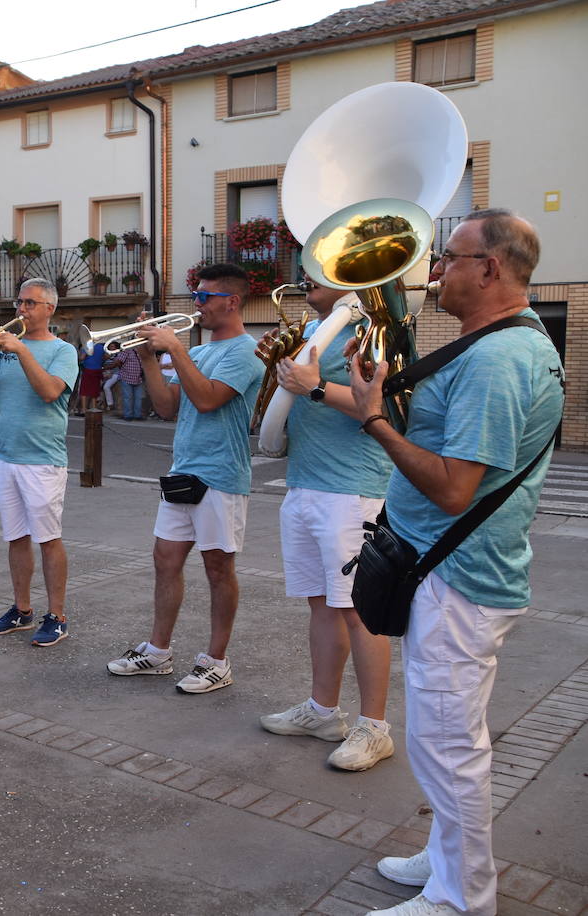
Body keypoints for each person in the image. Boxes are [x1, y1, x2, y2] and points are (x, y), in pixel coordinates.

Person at [352, 211, 564, 916]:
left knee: (448, 746)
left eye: (450, 257)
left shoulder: (500, 359)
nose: (435, 269)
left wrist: (375, 418)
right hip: (447, 576)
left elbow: (452, 488)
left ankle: (461, 898)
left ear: (491, 268)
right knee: (441, 735)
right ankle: (447, 858)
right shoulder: (492, 345)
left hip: (459, 580)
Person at [255, 279, 397, 771]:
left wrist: (313, 386)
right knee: (323, 606)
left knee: (361, 612)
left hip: (351, 490)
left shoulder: (373, 329)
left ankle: (375, 728)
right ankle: (323, 712)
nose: (306, 274)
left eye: (319, 267)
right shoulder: (313, 329)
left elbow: (384, 406)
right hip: (304, 484)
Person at [105, 263, 263, 692]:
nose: (196, 304)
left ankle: (216, 660)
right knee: (165, 561)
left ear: (231, 301)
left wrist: (175, 348)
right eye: (195, 296)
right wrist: (146, 357)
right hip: (184, 471)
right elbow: (168, 406)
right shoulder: (199, 351)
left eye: (204, 297)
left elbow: (209, 399)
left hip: (222, 476)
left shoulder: (247, 351)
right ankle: (158, 651)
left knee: (218, 569)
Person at [0, 279, 79, 647]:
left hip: (43, 460)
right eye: (20, 302)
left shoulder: (63, 351)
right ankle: (22, 609)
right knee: (16, 538)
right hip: (7, 457)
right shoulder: (3, 350)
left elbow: (48, 392)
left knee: (48, 539)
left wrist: (19, 348)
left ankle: (57, 616)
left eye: (31, 303)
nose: (22, 309)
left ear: (50, 309)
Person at [111, 346, 146, 420]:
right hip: (126, 377)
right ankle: (128, 415)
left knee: (138, 398)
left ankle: (137, 415)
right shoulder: (126, 350)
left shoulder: (141, 350)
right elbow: (118, 361)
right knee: (128, 398)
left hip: (138, 378)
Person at [77, 340, 107, 415]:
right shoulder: (101, 347)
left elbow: (82, 357)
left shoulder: (87, 346)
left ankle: (84, 409)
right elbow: (106, 356)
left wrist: (78, 358)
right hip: (97, 370)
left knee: (84, 390)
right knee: (95, 390)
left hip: (88, 369)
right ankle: (94, 408)